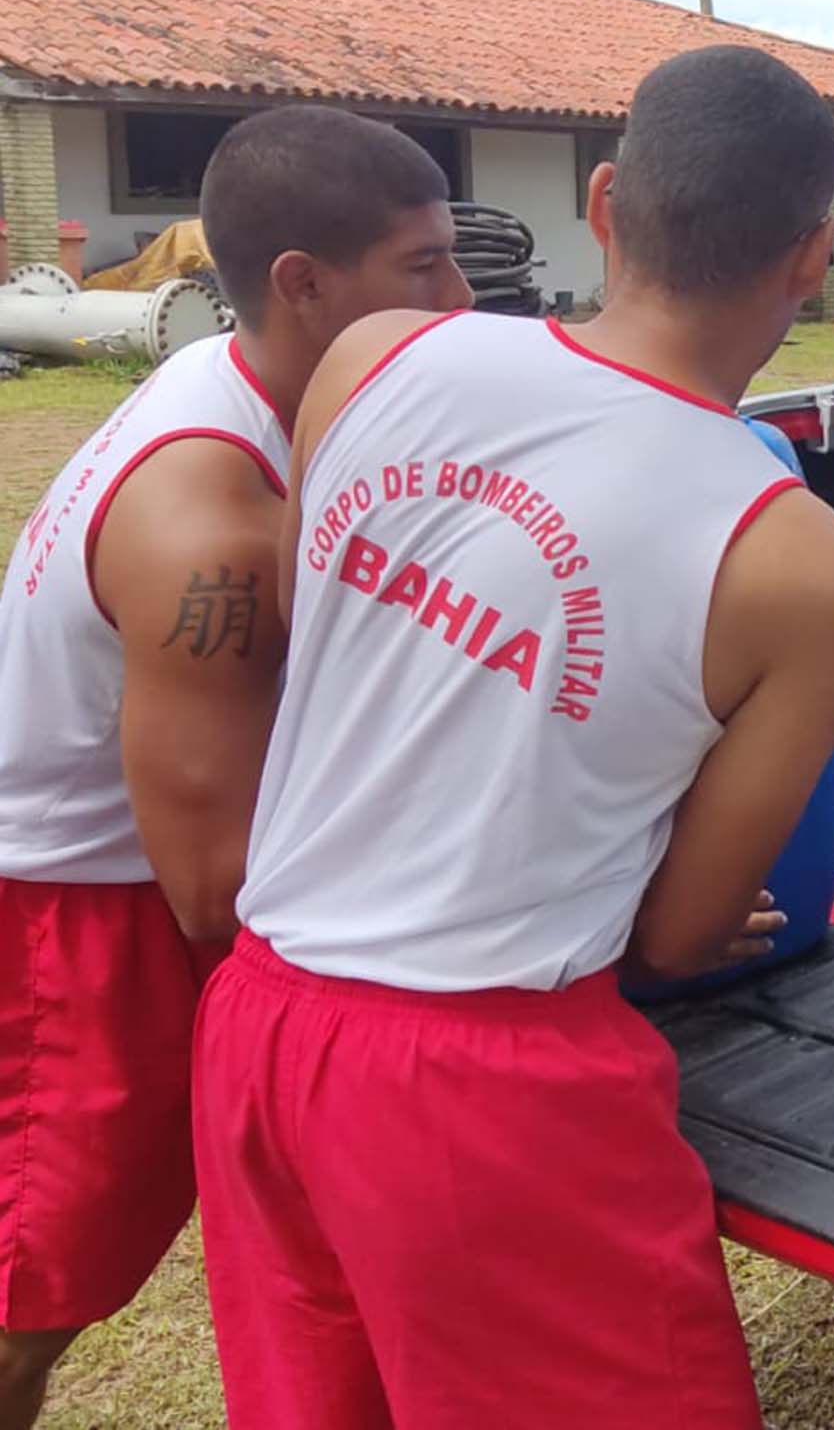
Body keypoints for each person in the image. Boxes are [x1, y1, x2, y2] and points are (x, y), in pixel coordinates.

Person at [189, 45, 834, 1429]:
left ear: (607, 202)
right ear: (812, 261)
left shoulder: (378, 354)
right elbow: (682, 937)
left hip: (263, 1030)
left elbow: (324, 620)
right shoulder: (802, 570)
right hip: (479, 1096)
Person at [0, 106, 466, 1428]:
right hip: (75, 920)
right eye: (422, 265)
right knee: (32, 1304)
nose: (461, 295)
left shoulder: (261, 393)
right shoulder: (215, 521)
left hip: (121, 887)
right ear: (303, 287)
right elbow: (225, 890)